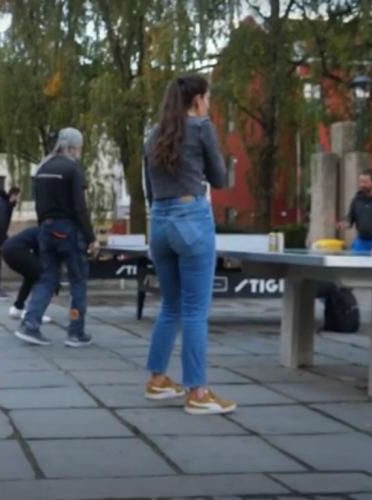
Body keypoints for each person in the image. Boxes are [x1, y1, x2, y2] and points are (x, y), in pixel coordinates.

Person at [141, 74, 235, 415]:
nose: (208, 104)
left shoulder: (153, 135)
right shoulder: (201, 127)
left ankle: (158, 379)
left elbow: (150, 189)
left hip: (160, 222)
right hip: (191, 217)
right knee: (195, 311)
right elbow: (220, 179)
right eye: (207, 98)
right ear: (197, 99)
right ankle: (197, 392)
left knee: (170, 306)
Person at [14, 128, 96, 348]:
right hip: (68, 231)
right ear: (74, 146)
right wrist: (90, 237)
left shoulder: (42, 168)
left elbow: (40, 204)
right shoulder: (72, 169)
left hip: (46, 230)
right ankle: (76, 332)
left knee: (47, 279)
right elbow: (80, 207)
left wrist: (44, 229)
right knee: (77, 280)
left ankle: (30, 325)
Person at [1, 226, 50, 323]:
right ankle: (33, 313)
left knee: (30, 277)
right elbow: (41, 253)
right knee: (41, 277)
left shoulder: (39, 229)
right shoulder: (46, 232)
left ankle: (17, 308)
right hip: (17, 250)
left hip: (7, 249)